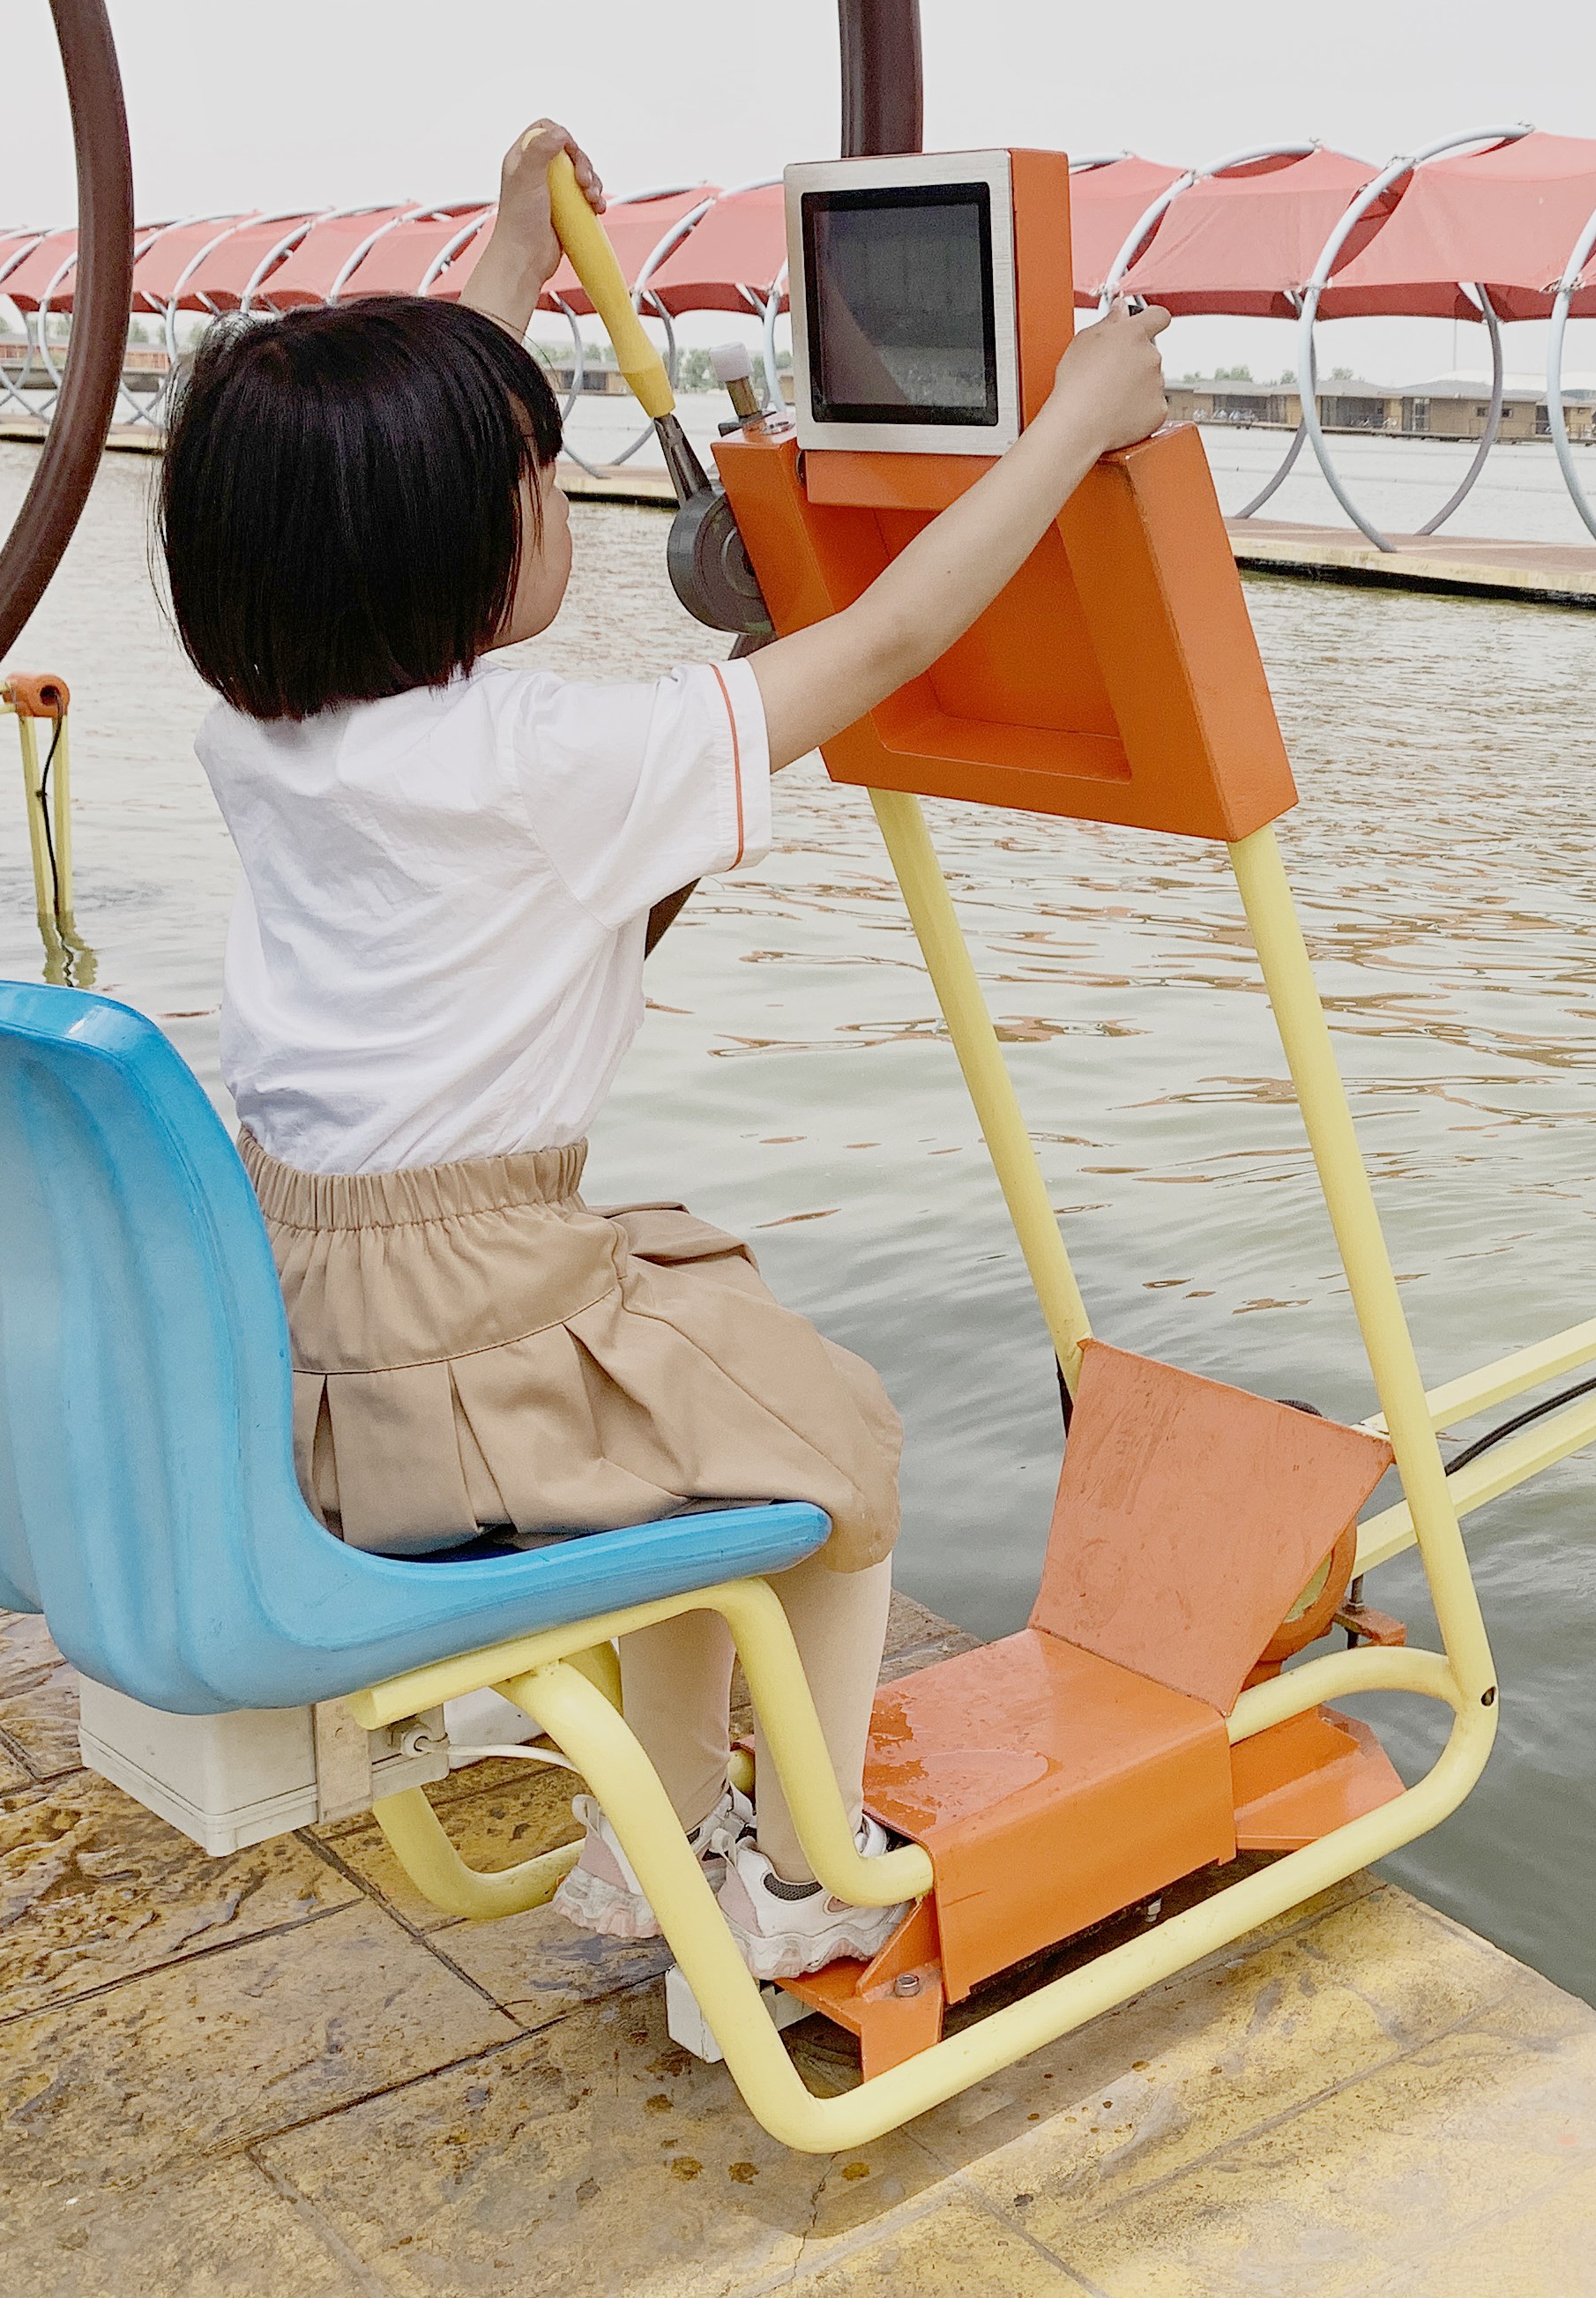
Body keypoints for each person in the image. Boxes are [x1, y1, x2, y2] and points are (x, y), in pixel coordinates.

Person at [158, 121, 1170, 1977]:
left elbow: (366, 472)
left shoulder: (265, 736)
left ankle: (676, 1839)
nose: (558, 497)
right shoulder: (542, 762)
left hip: (306, 1319)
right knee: (837, 1455)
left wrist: (509, 256)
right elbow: (891, 637)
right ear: (461, 540)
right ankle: (804, 1877)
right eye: (537, 478)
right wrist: (1077, 419)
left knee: (704, 1379)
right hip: (469, 1332)